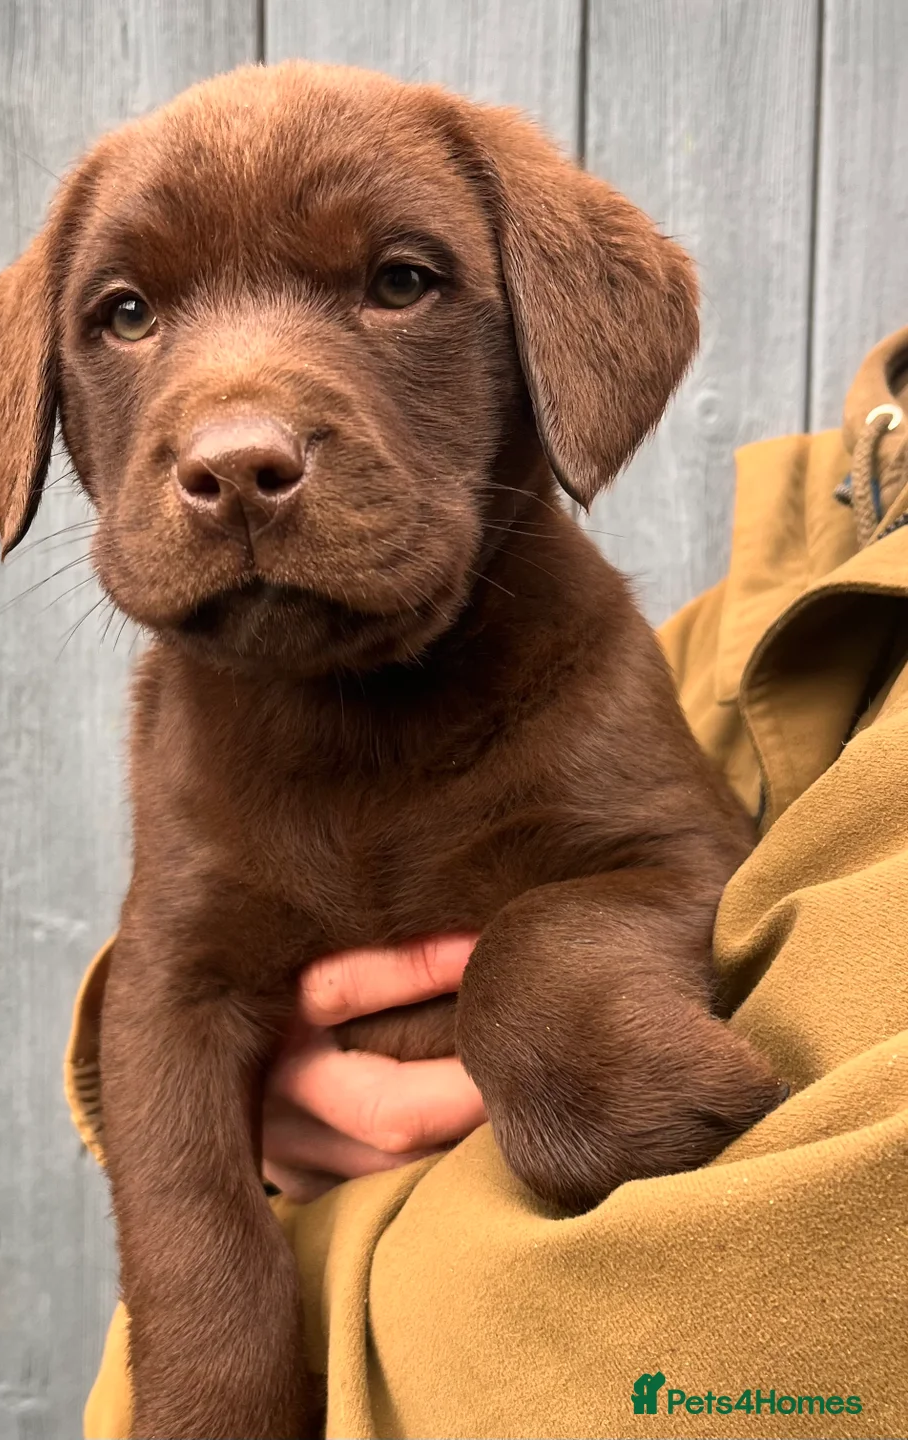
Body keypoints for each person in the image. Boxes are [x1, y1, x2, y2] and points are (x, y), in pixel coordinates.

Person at [71, 326, 908, 1439]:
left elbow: (749, 1375)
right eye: (130, 313)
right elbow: (176, 997)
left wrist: (547, 1011)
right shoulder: (776, 600)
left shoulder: (592, 669)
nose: (237, 440)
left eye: (400, 284)